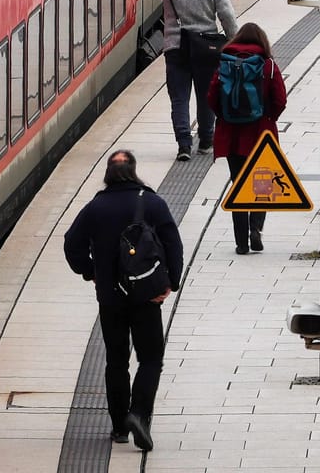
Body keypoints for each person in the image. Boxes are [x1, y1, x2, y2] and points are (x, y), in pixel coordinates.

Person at [62, 150, 184, 452]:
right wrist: (171, 281)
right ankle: (139, 414)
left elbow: (72, 244)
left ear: (108, 173)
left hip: (110, 297)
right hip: (146, 296)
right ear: (134, 170)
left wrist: (90, 272)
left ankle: (118, 427)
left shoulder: (95, 207)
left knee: (116, 360)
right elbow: (173, 243)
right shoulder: (152, 203)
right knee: (151, 358)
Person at [144, 0, 237, 160]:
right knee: (206, 96)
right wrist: (235, 43)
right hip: (207, 50)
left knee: (179, 98)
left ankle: (184, 145)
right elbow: (228, 17)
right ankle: (205, 142)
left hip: (176, 48)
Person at [206, 22, 288, 255]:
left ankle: (241, 242)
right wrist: (269, 118)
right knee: (262, 185)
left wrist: (225, 117)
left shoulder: (225, 64)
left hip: (232, 136)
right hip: (261, 134)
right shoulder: (268, 65)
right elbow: (280, 99)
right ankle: (256, 230)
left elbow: (212, 97)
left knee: (238, 185)